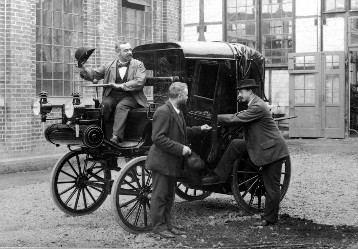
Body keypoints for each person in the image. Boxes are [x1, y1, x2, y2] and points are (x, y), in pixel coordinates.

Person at [201, 79, 289, 226]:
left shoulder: (258, 106)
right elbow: (240, 114)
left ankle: (270, 219)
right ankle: (219, 175)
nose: (239, 95)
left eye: (241, 92)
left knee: (271, 187)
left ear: (249, 91)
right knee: (236, 144)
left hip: (272, 150)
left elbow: (237, 118)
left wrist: (214, 118)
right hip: (261, 144)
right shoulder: (254, 103)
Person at [145, 82, 211, 239]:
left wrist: (199, 129)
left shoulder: (177, 111)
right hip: (162, 162)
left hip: (171, 163)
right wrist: (181, 149)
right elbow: (158, 138)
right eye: (187, 95)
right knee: (159, 196)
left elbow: (181, 132)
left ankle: (169, 226)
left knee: (169, 196)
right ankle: (159, 227)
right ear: (180, 96)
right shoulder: (163, 112)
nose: (188, 98)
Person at [78, 41, 148, 144]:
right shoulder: (109, 65)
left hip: (131, 96)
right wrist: (82, 68)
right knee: (104, 105)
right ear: (118, 52)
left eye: (130, 49)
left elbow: (139, 81)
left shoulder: (138, 65)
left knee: (121, 106)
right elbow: (94, 74)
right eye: (126, 50)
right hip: (113, 96)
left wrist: (122, 85)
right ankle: (98, 132)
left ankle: (116, 136)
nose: (130, 52)